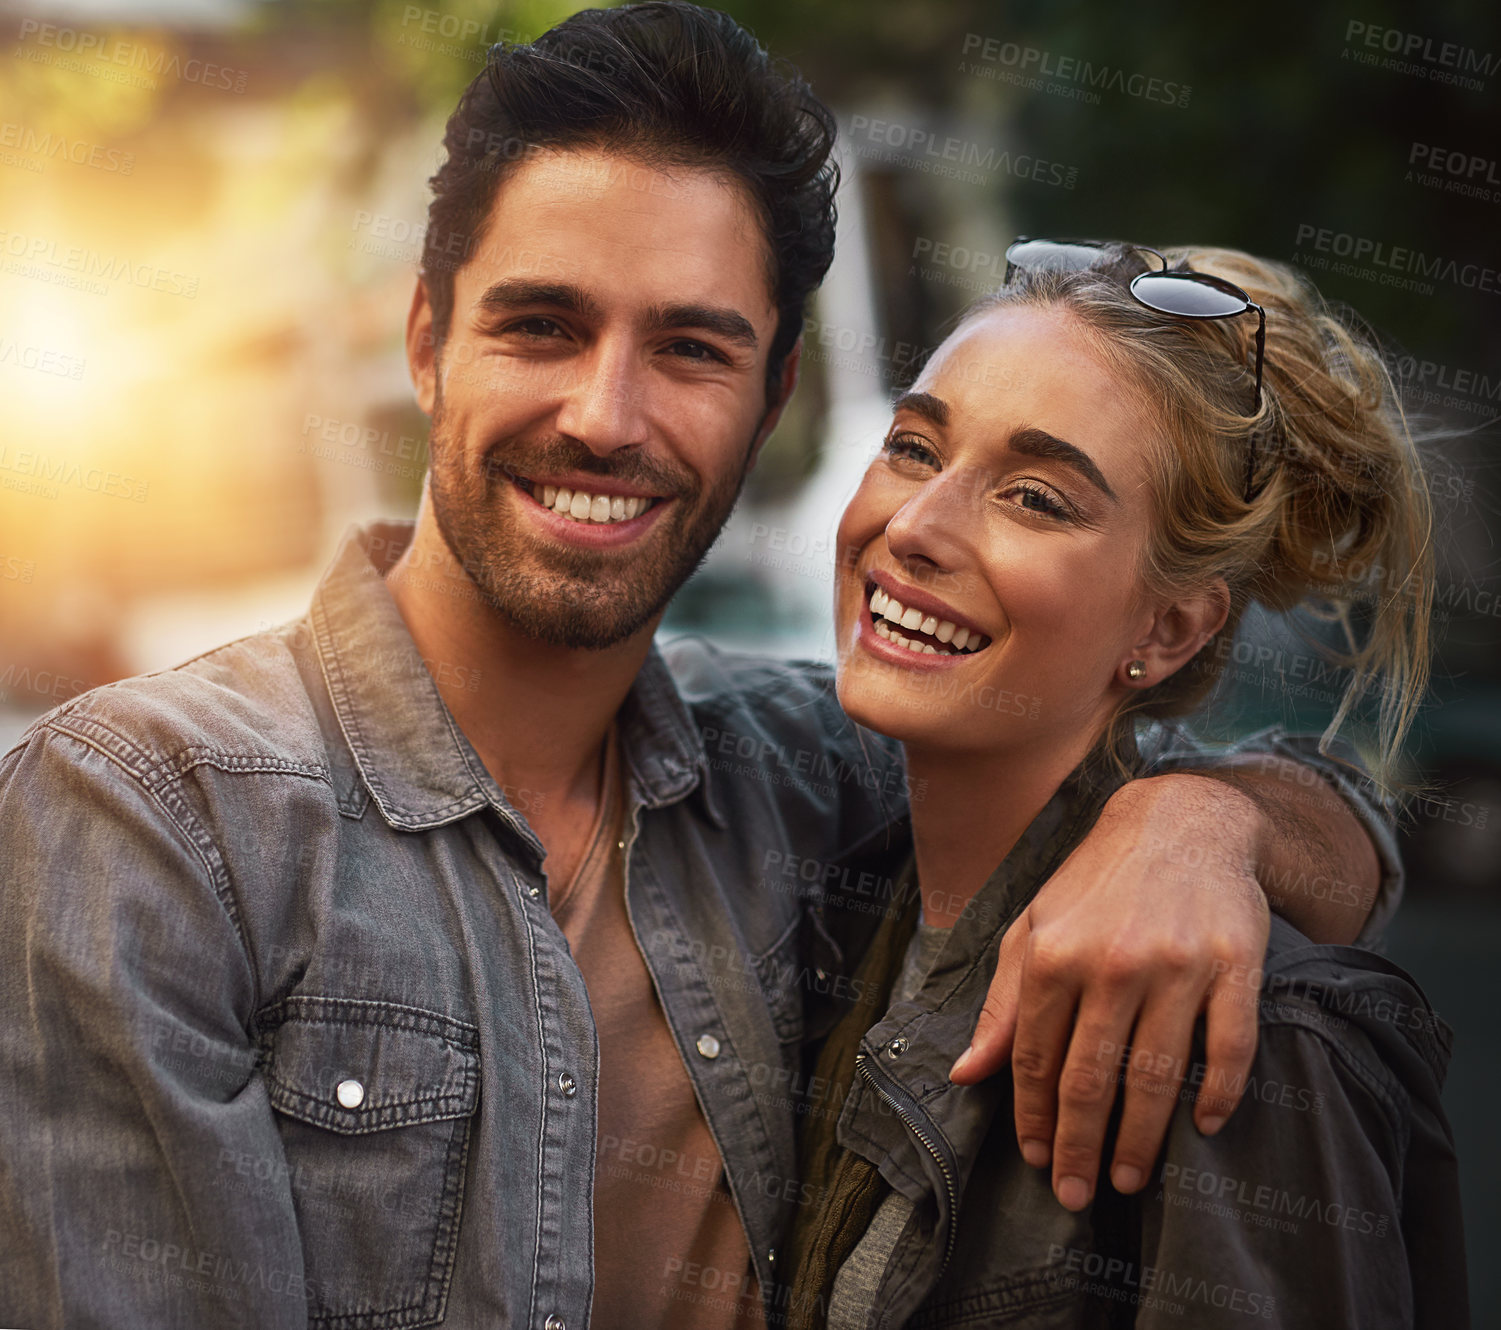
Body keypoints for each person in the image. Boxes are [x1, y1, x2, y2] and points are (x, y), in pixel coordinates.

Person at [0, 9, 1399, 1328]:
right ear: (427, 342)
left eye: (688, 348)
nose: (604, 417)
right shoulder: (151, 814)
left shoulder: (810, 773)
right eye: (541, 325)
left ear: (773, 397)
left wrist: (1204, 819)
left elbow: (1196, 800)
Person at [783, 240, 1465, 1328]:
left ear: (1169, 625)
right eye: (914, 448)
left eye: (1036, 498)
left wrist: (1207, 818)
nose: (912, 528)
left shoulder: (1239, 1034)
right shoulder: (822, 884)